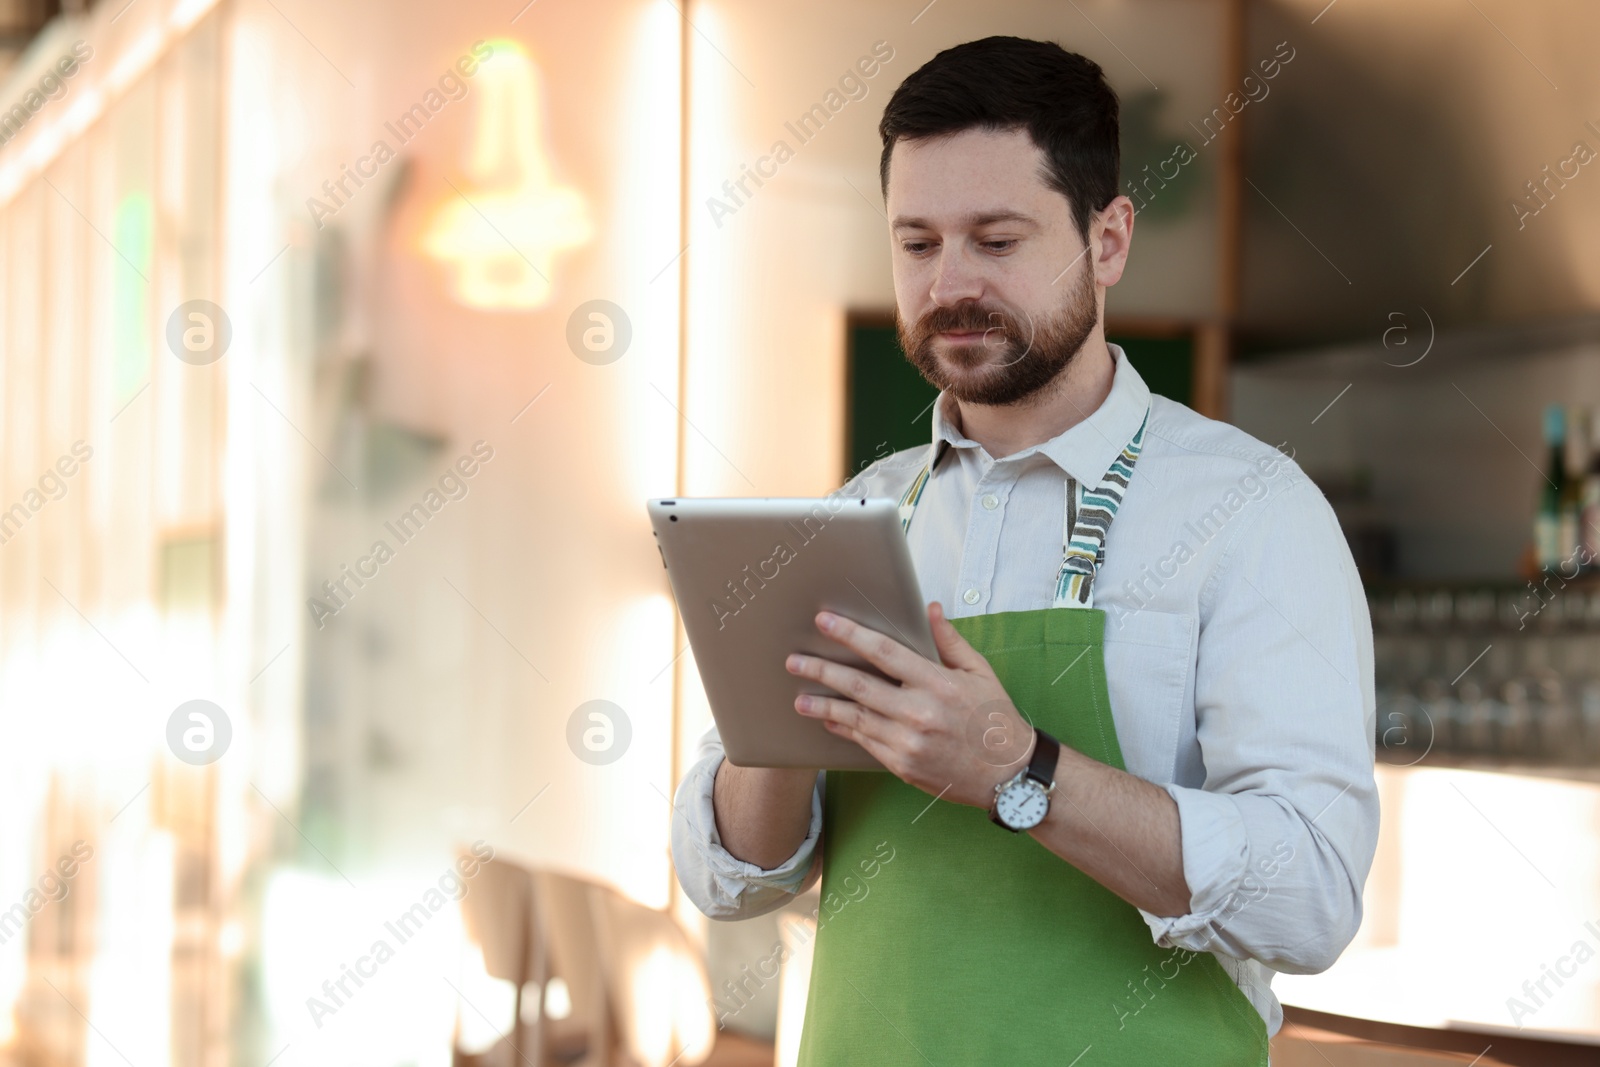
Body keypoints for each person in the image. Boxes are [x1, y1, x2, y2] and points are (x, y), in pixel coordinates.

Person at [671, 35, 1378, 1065]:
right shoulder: (859, 517)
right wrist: (774, 725)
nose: (949, 283)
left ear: (1107, 241)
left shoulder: (1252, 513)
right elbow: (730, 873)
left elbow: (1312, 897)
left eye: (995, 240)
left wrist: (1020, 766)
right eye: (916, 244)